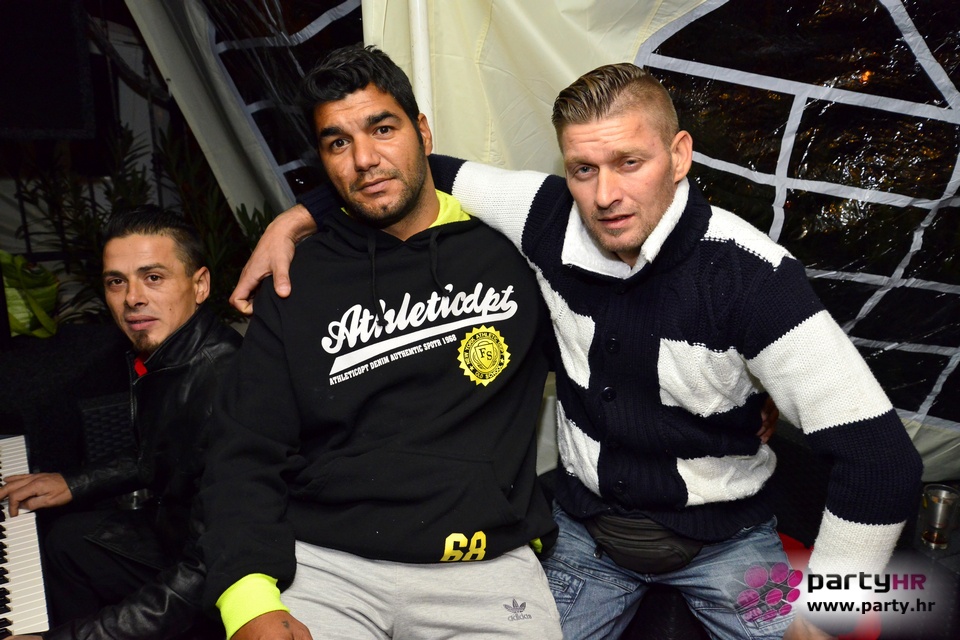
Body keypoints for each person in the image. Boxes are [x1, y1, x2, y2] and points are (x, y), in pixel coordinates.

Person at [238, 62, 924, 639]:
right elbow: (406, 171)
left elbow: (882, 459)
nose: (606, 196)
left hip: (730, 546)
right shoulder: (546, 216)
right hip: (587, 539)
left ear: (680, 155)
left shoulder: (750, 275)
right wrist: (298, 217)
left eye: (630, 162)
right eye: (583, 169)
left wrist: (828, 617)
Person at [197, 45, 563, 640]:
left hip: (484, 567)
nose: (364, 159)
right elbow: (244, 449)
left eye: (383, 129)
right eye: (338, 142)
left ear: (423, 132)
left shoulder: (513, 256)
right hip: (326, 566)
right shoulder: (297, 280)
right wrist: (248, 602)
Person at [0, 205, 240, 639]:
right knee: (65, 539)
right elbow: (161, 450)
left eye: (153, 277)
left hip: (216, 575)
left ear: (200, 284)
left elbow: (210, 569)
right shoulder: (168, 352)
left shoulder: (226, 387)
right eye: (117, 282)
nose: (132, 298)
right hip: (174, 531)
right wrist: (74, 482)